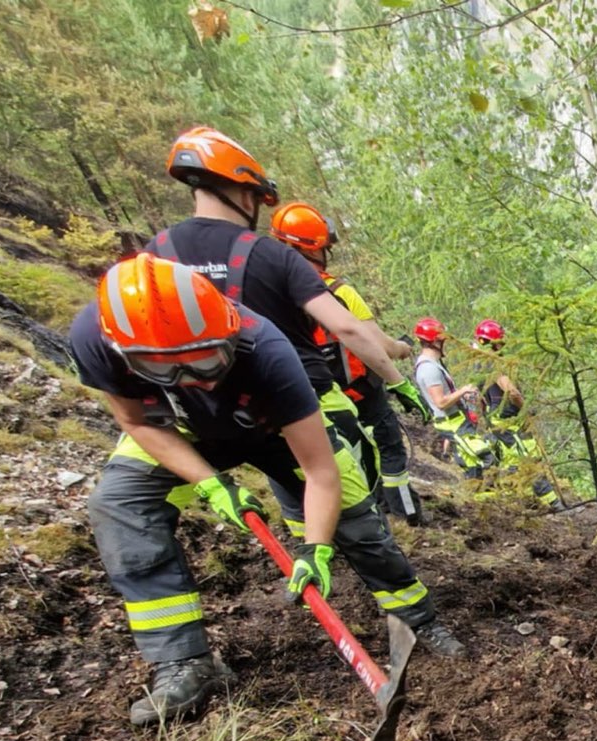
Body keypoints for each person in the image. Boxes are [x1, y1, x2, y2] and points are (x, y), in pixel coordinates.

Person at [75, 255, 464, 727]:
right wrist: (211, 483)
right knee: (119, 504)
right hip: (177, 430)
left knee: (357, 518)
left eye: (205, 360)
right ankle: (183, 662)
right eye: (170, 369)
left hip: (274, 426)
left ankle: (420, 621)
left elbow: (321, 472)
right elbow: (134, 420)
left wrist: (316, 548)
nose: (196, 379)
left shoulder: (267, 350)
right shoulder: (95, 340)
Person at [150, 127, 425, 486]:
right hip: (301, 401)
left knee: (292, 495)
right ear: (247, 197)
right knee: (353, 495)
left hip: (204, 410)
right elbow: (352, 330)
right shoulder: (278, 260)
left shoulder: (155, 254)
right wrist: (399, 380)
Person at [269, 200, 425, 525]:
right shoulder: (337, 291)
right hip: (363, 392)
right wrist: (401, 353)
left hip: (312, 400)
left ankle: (373, 514)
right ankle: (410, 518)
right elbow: (375, 342)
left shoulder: (268, 292)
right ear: (317, 248)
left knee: (345, 460)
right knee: (390, 453)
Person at [472, 319, 560, 508]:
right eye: (500, 341)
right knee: (530, 460)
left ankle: (523, 500)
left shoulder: (478, 364)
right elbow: (512, 391)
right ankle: (555, 505)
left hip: (496, 421)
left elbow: (480, 397)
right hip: (509, 421)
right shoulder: (493, 364)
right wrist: (526, 409)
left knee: (510, 462)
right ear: (494, 342)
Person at [413, 317, 497, 479]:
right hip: (452, 423)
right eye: (442, 339)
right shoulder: (429, 369)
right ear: (434, 341)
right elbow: (441, 402)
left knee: (471, 466)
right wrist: (463, 390)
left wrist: (463, 394)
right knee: (487, 456)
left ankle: (479, 498)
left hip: (457, 420)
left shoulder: (434, 364)